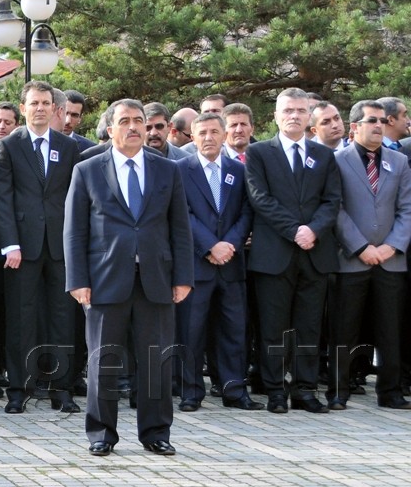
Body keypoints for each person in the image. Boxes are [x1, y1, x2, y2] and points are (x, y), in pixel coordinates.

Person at [65, 99, 193, 457]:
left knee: (156, 360)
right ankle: (101, 434)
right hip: (104, 279)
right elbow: (74, 231)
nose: (135, 127)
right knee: (103, 360)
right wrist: (77, 280)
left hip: (156, 279)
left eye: (140, 120)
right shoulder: (87, 170)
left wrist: (183, 277)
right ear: (110, 129)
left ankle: (156, 432)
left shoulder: (167, 170)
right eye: (125, 121)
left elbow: (180, 229)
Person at [244, 87, 341, 415]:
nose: (294, 116)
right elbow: (260, 197)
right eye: (287, 111)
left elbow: (332, 200)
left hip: (314, 252)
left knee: (309, 326)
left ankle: (304, 389)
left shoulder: (324, 155)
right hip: (275, 253)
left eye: (300, 110)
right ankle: (274, 390)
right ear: (275, 115)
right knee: (273, 327)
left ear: (309, 116)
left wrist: (312, 229)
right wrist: (294, 229)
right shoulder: (259, 153)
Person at [0, 81, 82, 413]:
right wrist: (10, 244)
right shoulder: (10, 145)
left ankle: (61, 389)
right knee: (21, 320)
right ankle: (19, 388)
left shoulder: (68, 147)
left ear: (54, 108)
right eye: (34, 103)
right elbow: (2, 198)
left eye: (46, 102)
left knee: (63, 319)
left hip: (60, 247)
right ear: (24, 108)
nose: (40, 108)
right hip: (22, 248)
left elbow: (76, 198)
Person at [328, 100, 411, 409]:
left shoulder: (399, 162)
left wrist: (391, 246)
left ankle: (390, 392)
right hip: (352, 259)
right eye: (371, 120)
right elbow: (335, 209)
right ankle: (339, 391)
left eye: (382, 121)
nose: (379, 125)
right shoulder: (338, 161)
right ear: (355, 127)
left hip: (391, 260)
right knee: (344, 330)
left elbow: (407, 209)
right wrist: (362, 247)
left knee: (390, 330)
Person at [175, 112, 259, 411]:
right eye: (202, 133)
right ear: (192, 137)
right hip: (197, 264)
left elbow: (247, 212)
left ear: (224, 135)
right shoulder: (180, 170)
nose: (208, 138)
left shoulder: (238, 171)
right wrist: (210, 245)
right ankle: (191, 392)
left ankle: (234, 391)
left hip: (231, 265)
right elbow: (182, 213)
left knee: (233, 332)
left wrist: (230, 244)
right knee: (191, 331)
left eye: (214, 131)